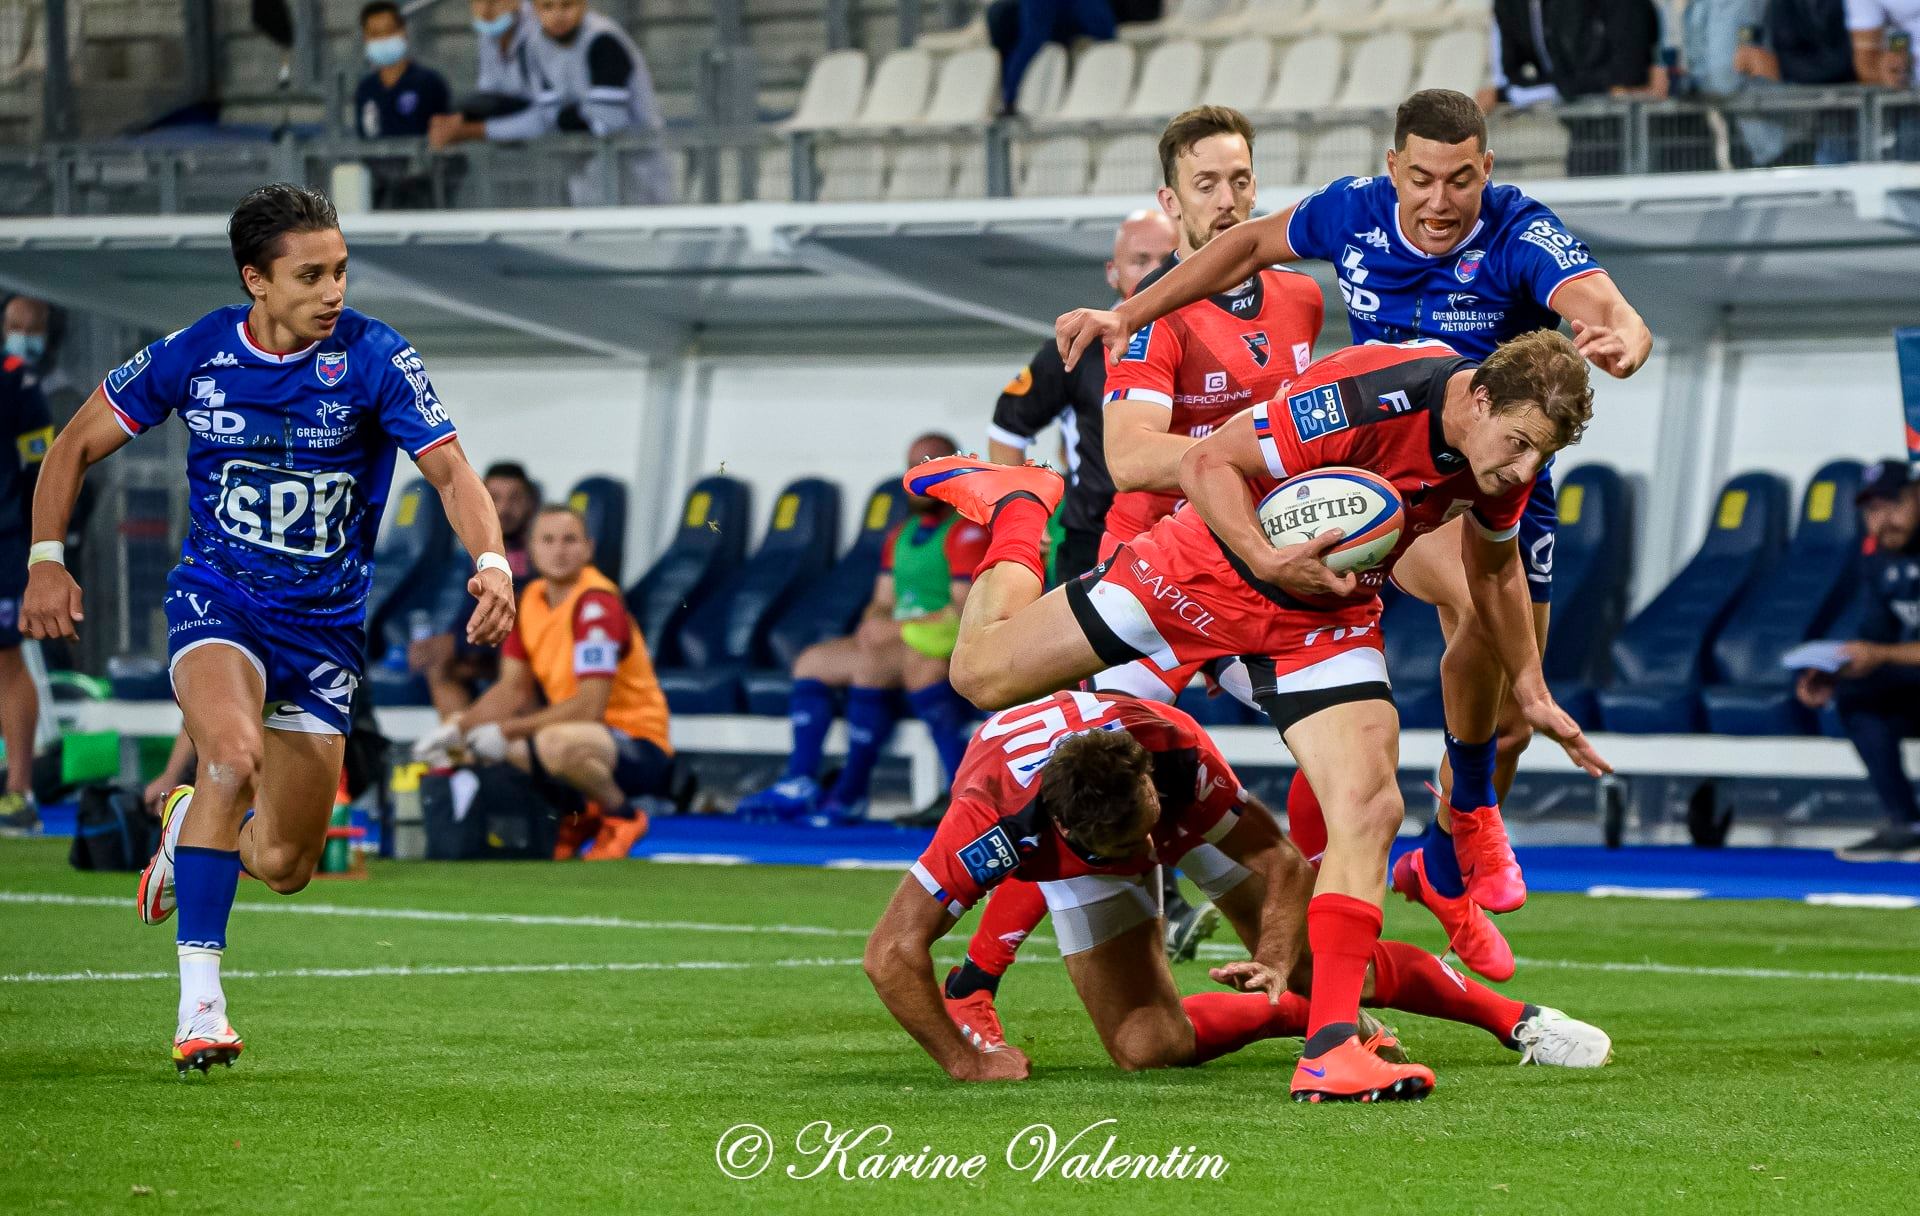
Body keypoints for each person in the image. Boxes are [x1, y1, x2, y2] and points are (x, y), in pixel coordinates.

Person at [906, 332, 1612, 1089]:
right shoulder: (1373, 390)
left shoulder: (1504, 454)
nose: (1524, 468)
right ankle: (1020, 505)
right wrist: (1266, 555)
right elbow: (1209, 461)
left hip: (1315, 620)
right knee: (980, 675)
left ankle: (1331, 1048)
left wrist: (1531, 687)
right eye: (1519, 444)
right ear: (1477, 398)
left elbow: (1496, 567)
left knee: (1370, 807)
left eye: (1540, 454)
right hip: (1200, 570)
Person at [1057, 89, 1651, 982]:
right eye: (1420, 179)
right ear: (1393, 172)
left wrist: (1625, 338)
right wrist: (1130, 315)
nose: (1440, 201)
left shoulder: (1519, 232)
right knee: (1470, 615)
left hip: (1500, 474)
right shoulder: (1353, 216)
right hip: (1388, 482)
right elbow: (1246, 246)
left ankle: (1443, 867)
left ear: (1485, 171)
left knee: (1516, 713)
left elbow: (1604, 303)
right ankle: (1462, 825)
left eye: (1459, 181)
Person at [22, 183, 516, 1074]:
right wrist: (46, 557)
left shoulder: (375, 356)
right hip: (220, 601)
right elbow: (74, 444)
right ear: (257, 279)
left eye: (341, 272)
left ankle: (184, 829)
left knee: (287, 861)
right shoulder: (195, 352)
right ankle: (200, 1006)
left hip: (323, 630)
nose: (334, 291)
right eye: (311, 274)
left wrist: (492, 563)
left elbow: (451, 473)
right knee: (229, 757)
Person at [865, 690, 1611, 1097]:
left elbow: (1282, 863)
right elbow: (891, 953)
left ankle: (1517, 1020)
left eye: (1149, 828)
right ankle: (1311, 1021)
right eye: (1134, 850)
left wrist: (1280, 959)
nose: (1152, 858)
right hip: (1077, 825)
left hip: (1161, 802)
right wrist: (965, 1063)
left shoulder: (1171, 754)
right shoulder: (992, 822)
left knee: (1321, 960)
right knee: (1144, 1048)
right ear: (1067, 835)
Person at [735, 434, 988, 824]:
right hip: (899, 638)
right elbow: (882, 598)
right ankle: (800, 779)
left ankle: (854, 792)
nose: (919, 475)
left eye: (929, 463)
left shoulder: (964, 531)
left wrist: (897, 627)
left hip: (938, 640)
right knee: (811, 661)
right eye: (913, 465)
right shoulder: (899, 535)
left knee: (877, 667)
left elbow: (964, 609)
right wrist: (874, 621)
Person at [415, 505, 671, 861]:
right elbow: (511, 689)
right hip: (580, 734)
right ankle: (582, 814)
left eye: (570, 540)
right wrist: (459, 728)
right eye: (547, 540)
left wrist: (505, 731)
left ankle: (621, 816)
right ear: (532, 549)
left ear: (588, 548)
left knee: (548, 742)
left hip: (633, 740)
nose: (559, 550)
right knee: (489, 752)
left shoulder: (597, 604)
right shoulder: (530, 600)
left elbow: (589, 706)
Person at [987, 209, 1177, 587]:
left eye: (1168, 260)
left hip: (1191, 535)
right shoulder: (1078, 346)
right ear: (1113, 272)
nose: (1156, 272)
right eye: (1141, 261)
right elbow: (1007, 430)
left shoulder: (1211, 336)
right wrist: (1018, 515)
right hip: (1093, 538)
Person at [1795, 460, 1920, 862]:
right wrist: (1835, 671)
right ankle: (1905, 824)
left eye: (1891, 505)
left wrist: (1879, 655)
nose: (1882, 521)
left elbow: (1882, 651)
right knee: (1854, 697)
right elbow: (1877, 635)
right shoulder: (1878, 558)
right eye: (1872, 511)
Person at [430, 0, 672, 205]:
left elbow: (608, 123)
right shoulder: (537, 45)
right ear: (534, 8)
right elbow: (548, 119)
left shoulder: (603, 41)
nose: (558, 15)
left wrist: (564, 118)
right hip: (589, 185)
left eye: (567, 5)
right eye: (547, 6)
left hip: (641, 182)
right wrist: (572, 116)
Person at [410, 460, 539, 718]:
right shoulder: (478, 553)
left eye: (515, 499)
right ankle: (458, 749)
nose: (504, 508)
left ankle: (462, 742)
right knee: (439, 665)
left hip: (528, 649)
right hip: (490, 647)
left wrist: (455, 643)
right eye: (495, 498)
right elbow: (471, 609)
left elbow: (524, 613)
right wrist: (450, 643)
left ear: (530, 503)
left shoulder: (539, 551)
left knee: (450, 658)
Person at [0, 316, 51, 832]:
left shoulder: (15, 377)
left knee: (7, 660)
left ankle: (19, 794)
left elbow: (43, 464)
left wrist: (46, 545)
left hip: (4, 541)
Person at [353, 1, 454, 209]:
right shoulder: (366, 89)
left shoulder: (429, 83)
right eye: (375, 33)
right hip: (379, 194)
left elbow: (444, 139)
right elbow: (365, 140)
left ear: (403, 31)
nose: (383, 39)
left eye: (389, 31)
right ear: (365, 38)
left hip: (425, 193)